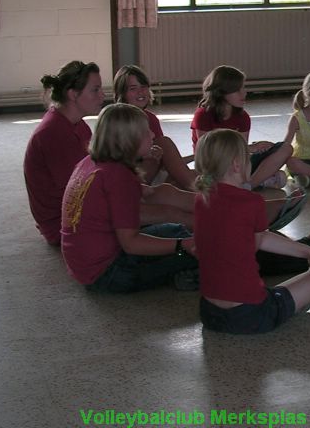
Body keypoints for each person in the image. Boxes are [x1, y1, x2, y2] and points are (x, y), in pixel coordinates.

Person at [193, 129, 310, 334]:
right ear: (237, 164)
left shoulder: (202, 199)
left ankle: (293, 300)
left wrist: (307, 251)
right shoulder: (250, 201)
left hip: (210, 313)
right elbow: (258, 241)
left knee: (275, 290)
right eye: (249, 158)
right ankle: (293, 303)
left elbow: (257, 239)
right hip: (250, 315)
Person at [60, 103, 198, 293]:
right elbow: (131, 243)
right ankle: (189, 275)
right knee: (201, 249)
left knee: (176, 230)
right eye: (145, 132)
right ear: (128, 141)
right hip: (108, 273)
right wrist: (183, 245)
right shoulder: (120, 176)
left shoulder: (91, 162)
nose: (152, 135)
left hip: (84, 266)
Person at [190, 65, 308, 232]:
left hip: (238, 162)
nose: (244, 93)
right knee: (210, 182)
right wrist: (249, 148)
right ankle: (256, 180)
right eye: (238, 90)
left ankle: (249, 184)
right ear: (223, 92)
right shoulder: (203, 114)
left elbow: (242, 150)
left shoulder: (242, 117)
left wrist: (254, 148)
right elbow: (206, 151)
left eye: (244, 88)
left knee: (285, 148)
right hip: (213, 165)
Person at [24, 61, 103, 245]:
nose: (102, 95)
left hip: (75, 210)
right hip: (64, 225)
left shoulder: (77, 124)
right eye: (95, 90)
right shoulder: (53, 133)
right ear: (73, 94)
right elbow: (78, 191)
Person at [113, 65, 196, 190]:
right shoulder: (117, 121)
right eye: (133, 88)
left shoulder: (150, 118)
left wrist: (195, 156)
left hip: (155, 173)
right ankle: (200, 193)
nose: (140, 92)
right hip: (133, 179)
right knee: (164, 143)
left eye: (143, 87)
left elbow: (167, 162)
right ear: (122, 93)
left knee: (197, 175)